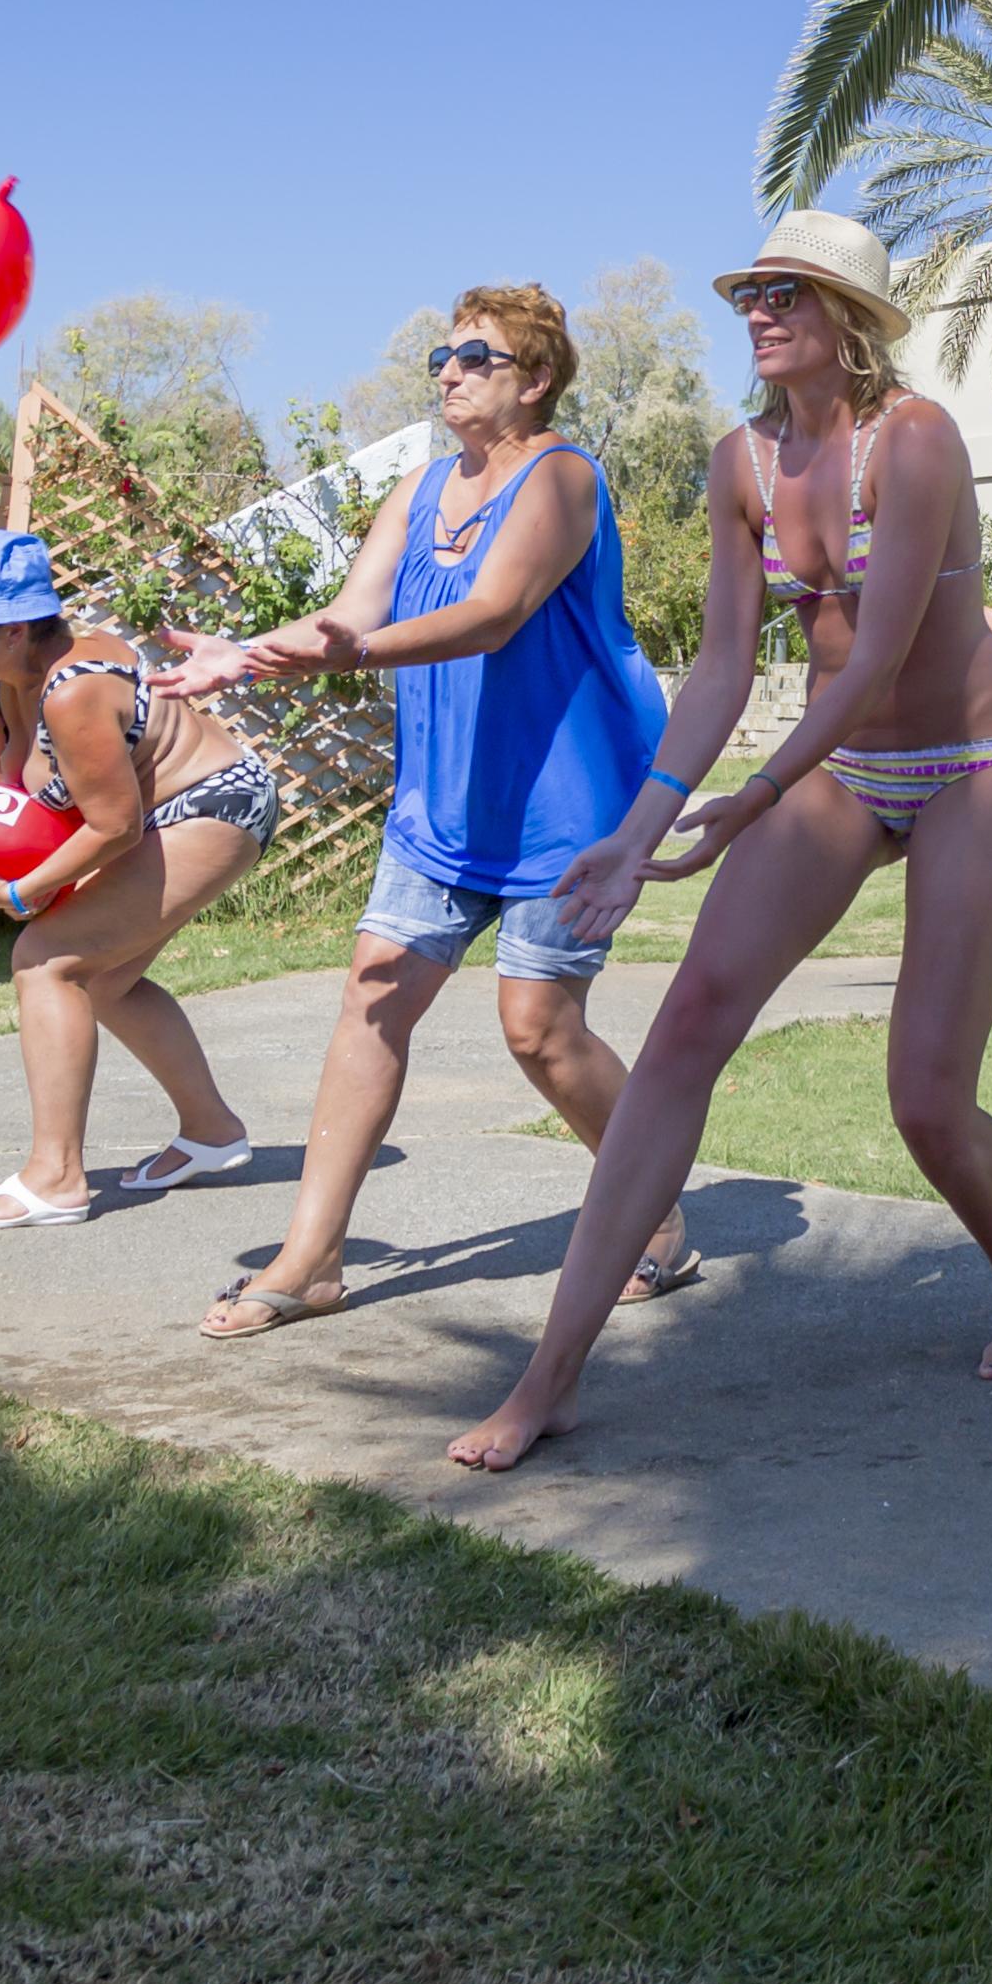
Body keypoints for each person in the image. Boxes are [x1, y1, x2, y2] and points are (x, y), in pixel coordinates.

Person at [445, 211, 992, 1475]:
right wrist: (641, 830)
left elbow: (878, 651)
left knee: (927, 1100)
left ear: (851, 319)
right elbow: (726, 666)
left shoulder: (918, 440)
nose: (761, 309)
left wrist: (759, 796)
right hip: (843, 764)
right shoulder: (742, 463)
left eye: (788, 292)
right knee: (682, 1033)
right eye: (752, 293)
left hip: (971, 768)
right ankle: (551, 1373)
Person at [173, 283, 692, 1336]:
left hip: (568, 804)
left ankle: (659, 1214)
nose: (448, 372)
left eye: (476, 356)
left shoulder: (562, 476)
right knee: (374, 991)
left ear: (535, 380)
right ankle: (311, 1259)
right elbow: (351, 614)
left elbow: (493, 614)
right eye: (442, 357)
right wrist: (249, 657)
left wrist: (353, 651)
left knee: (540, 1030)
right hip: (444, 801)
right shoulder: (415, 491)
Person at [0, 527, 285, 1233]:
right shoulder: (3, 680)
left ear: (15, 628)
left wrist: (23, 897)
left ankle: (55, 1179)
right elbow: (24, 794)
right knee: (104, 978)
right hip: (157, 815)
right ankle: (211, 1132)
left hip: (213, 804)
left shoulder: (74, 689)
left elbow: (114, 824)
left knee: (47, 962)